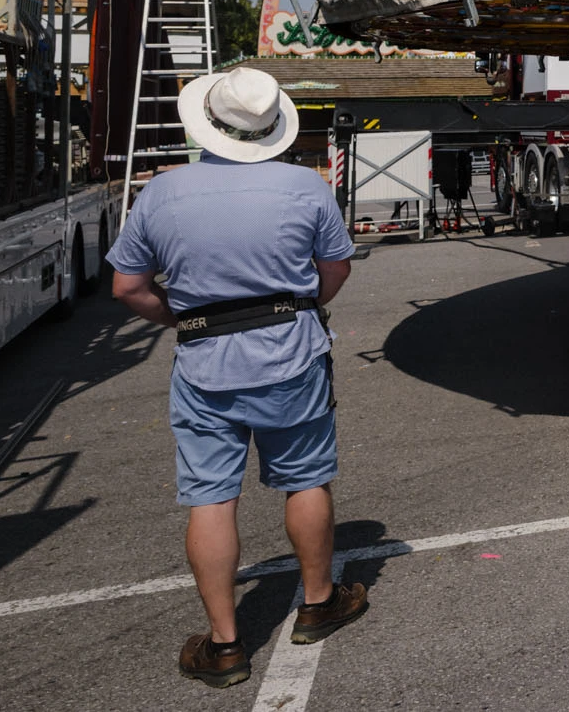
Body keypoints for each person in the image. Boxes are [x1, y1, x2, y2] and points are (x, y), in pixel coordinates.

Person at [110, 67, 368, 688]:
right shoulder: (305, 187)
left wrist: (181, 318)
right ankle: (318, 602)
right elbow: (336, 269)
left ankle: (224, 644)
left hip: (204, 360)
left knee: (211, 497)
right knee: (306, 478)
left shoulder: (162, 193)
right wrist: (305, 306)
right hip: (291, 352)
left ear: (208, 123)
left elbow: (127, 287)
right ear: (271, 126)